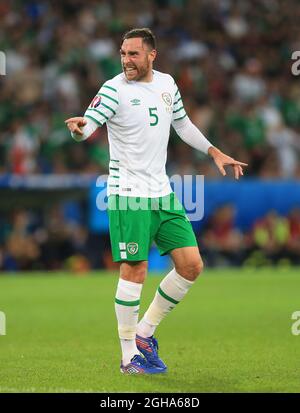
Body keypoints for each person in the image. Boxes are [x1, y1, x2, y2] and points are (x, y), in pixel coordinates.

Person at [65, 28, 247, 375]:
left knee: (191, 265)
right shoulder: (113, 88)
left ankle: (145, 334)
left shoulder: (167, 84)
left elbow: (182, 123)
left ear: (152, 55)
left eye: (133, 54)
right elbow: (89, 125)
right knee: (136, 269)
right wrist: (78, 130)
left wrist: (214, 151)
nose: (125, 60)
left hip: (162, 192)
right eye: (122, 53)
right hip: (128, 194)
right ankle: (128, 356)